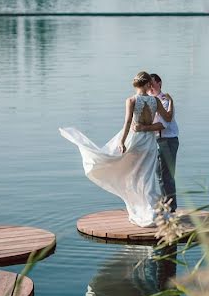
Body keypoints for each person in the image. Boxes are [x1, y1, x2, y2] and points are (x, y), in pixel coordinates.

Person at [60, 71, 174, 227]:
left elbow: (127, 123)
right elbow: (167, 119)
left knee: (133, 174)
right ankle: (152, 211)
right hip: (150, 142)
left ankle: (143, 210)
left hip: (136, 140)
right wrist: (171, 102)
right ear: (147, 84)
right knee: (147, 177)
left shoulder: (131, 100)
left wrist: (122, 141)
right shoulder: (155, 101)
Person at [134, 73, 179, 212]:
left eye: (152, 84)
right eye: (148, 85)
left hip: (166, 140)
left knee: (164, 176)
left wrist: (143, 128)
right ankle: (165, 205)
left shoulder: (164, 100)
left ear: (159, 84)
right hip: (156, 140)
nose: (150, 88)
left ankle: (169, 209)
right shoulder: (150, 100)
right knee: (160, 175)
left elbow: (163, 124)